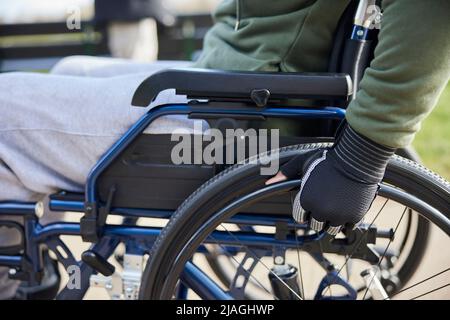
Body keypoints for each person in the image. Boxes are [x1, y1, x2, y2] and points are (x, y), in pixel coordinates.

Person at [0, 0, 449, 299]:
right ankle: (39, 271)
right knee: (69, 66)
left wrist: (360, 158)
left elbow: (430, 13)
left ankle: (22, 278)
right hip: (240, 89)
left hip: (243, 119)